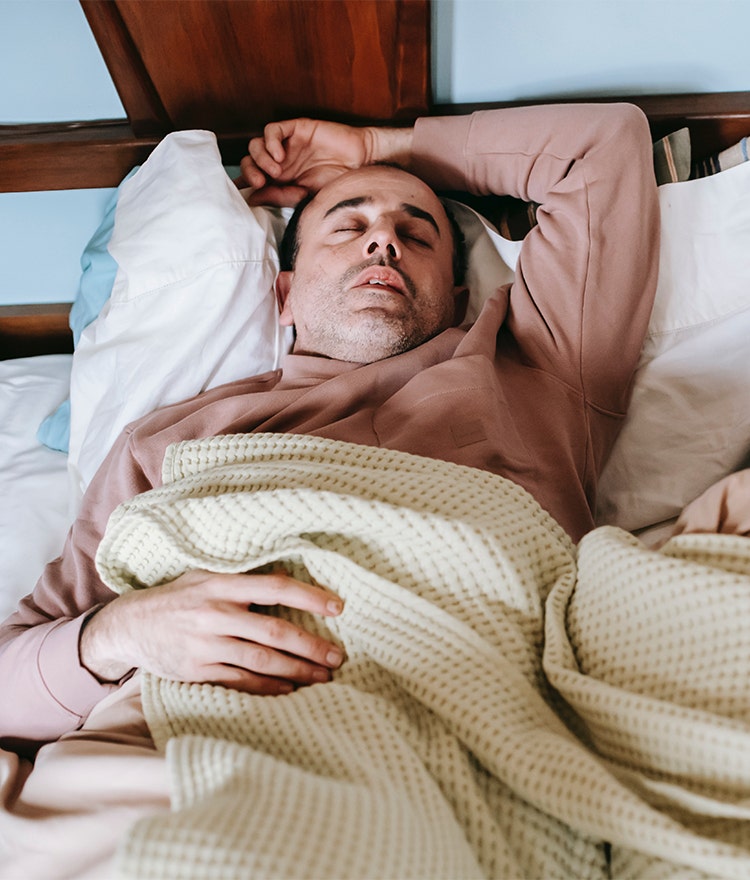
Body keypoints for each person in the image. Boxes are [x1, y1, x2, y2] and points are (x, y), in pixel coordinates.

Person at [0, 103, 660, 753]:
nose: (384, 240)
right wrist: (117, 634)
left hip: (483, 709)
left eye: (418, 232)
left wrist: (377, 147)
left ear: (458, 298)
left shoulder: (534, 365)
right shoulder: (169, 442)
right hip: (206, 738)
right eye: (349, 228)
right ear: (282, 293)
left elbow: (602, 147)